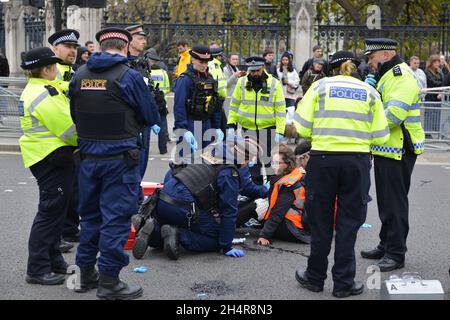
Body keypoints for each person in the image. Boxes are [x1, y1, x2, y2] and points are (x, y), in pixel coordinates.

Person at [68, 27, 160, 299]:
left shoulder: (80, 75)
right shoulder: (128, 76)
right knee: (116, 220)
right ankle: (109, 282)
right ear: (124, 46)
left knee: (91, 217)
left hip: (87, 159)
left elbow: (75, 113)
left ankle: (85, 274)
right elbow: (150, 114)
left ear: (100, 46)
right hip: (119, 160)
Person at [293, 50, 389, 298]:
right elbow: (381, 135)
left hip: (323, 160)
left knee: (320, 221)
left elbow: (301, 126)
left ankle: (314, 278)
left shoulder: (320, 87)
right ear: (355, 68)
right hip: (356, 162)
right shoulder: (369, 92)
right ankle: (344, 283)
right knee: (348, 224)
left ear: (330, 68)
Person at [132, 137, 262, 260]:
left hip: (161, 200)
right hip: (182, 208)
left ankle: (152, 230)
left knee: (166, 230)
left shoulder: (208, 151)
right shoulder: (229, 172)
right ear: (245, 161)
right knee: (217, 237)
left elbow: (174, 170)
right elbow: (229, 211)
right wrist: (226, 245)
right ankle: (178, 235)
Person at [361, 38, 425, 272]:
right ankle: (385, 243)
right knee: (386, 201)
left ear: (385, 55)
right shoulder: (387, 76)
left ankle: (396, 253)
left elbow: (392, 117)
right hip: (386, 147)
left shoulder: (402, 76)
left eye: (372, 57)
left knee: (395, 203)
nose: (370, 62)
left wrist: (363, 127)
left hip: (399, 147)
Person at [19, 47, 78, 285]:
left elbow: (62, 88)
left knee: (56, 212)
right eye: (54, 66)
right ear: (46, 69)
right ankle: (37, 268)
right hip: (50, 157)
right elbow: (68, 129)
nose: (57, 69)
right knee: (50, 212)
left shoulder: (39, 88)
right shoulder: (44, 94)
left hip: (46, 156)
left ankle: (53, 260)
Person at [227, 56, 286, 184]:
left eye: (257, 70)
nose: (254, 73)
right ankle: (256, 193)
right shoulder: (242, 82)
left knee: (269, 162)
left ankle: (272, 190)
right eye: (252, 71)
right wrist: (231, 125)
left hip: (268, 129)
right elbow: (234, 106)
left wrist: (280, 131)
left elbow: (280, 109)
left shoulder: (274, 83)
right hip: (248, 131)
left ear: (263, 68)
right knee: (252, 164)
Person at [48, 28, 81, 247]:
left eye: (74, 47)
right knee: (59, 192)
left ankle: (69, 229)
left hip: (72, 138)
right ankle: (58, 234)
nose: (72, 51)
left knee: (74, 189)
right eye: (68, 47)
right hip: (58, 140)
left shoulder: (74, 71)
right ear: (55, 48)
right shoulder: (52, 71)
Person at [125, 24, 160, 180]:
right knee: (132, 165)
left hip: (144, 121)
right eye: (140, 38)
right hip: (130, 122)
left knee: (143, 160)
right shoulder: (124, 62)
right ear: (129, 40)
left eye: (144, 39)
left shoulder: (142, 62)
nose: (144, 42)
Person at [256, 144, 310, 246]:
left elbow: (278, 212)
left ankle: (224, 227)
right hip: (292, 223)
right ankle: (225, 226)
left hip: (293, 229)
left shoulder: (290, 183)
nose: (273, 166)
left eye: (277, 163)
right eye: (272, 162)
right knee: (256, 204)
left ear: (288, 164)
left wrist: (264, 235)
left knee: (254, 207)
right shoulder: (288, 174)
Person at [173, 44, 222, 156]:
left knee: (206, 163)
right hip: (190, 123)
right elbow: (179, 106)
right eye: (201, 62)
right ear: (193, 60)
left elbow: (215, 104)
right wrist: (183, 129)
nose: (204, 65)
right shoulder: (185, 79)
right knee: (186, 164)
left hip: (206, 123)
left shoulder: (209, 78)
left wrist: (217, 127)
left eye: (206, 62)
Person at [146, 50, 170, 155]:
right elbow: (168, 88)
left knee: (146, 127)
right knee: (162, 127)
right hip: (161, 103)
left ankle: (145, 149)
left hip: (149, 103)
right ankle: (163, 150)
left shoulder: (147, 73)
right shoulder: (164, 73)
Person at [208, 47, 228, 138]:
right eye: (221, 56)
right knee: (218, 126)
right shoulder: (213, 66)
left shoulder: (217, 66)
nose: (223, 58)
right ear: (218, 56)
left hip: (219, 101)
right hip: (215, 101)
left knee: (223, 126)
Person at [423, 54, 445, 136]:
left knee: (437, 113)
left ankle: (436, 131)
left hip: (438, 96)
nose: (437, 64)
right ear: (431, 63)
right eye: (435, 62)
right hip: (430, 95)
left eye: (438, 62)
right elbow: (432, 82)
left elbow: (443, 81)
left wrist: (441, 88)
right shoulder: (427, 71)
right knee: (429, 114)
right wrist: (441, 85)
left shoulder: (439, 71)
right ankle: (427, 133)